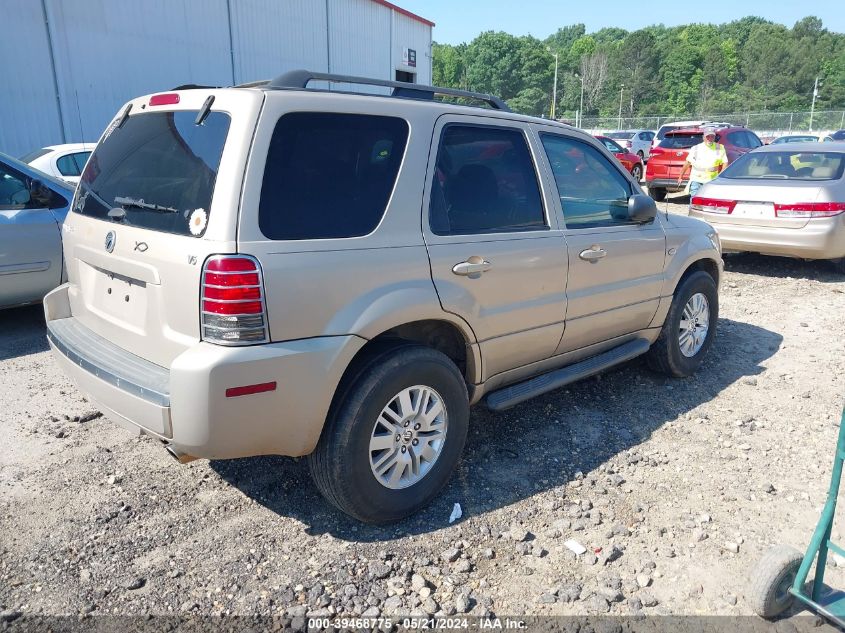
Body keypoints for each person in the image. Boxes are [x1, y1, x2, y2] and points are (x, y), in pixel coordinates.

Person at [677, 128, 728, 204]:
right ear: (703, 137)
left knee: (709, 202)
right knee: (695, 201)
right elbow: (688, 163)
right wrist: (680, 176)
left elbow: (725, 163)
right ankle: (693, 215)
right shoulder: (696, 148)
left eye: (712, 136)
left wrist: (720, 177)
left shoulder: (720, 148)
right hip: (696, 179)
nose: (710, 139)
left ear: (715, 137)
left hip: (711, 180)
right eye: (708, 136)